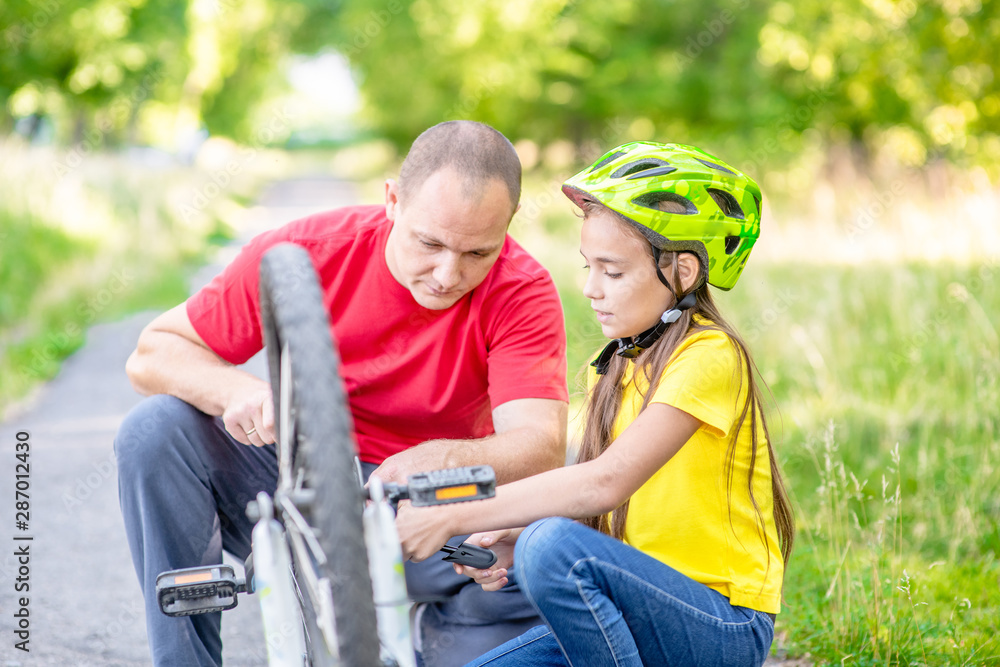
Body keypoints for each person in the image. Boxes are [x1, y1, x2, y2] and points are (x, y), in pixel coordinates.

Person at [114, 120, 570, 667]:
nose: (448, 274)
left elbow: (541, 441)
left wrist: (442, 457)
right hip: (297, 480)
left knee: (539, 581)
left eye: (477, 253)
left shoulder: (523, 288)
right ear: (392, 201)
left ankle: (431, 628)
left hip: (434, 511)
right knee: (154, 430)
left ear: (508, 226)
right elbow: (152, 352)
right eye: (429, 243)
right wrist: (235, 389)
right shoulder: (305, 251)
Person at [396, 141, 795, 666]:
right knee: (537, 555)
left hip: (719, 627)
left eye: (612, 271)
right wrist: (511, 536)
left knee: (550, 545)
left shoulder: (710, 356)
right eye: (588, 267)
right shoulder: (616, 367)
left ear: (682, 272)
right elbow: (598, 517)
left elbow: (605, 482)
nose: (590, 289)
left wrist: (456, 517)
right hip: (636, 611)